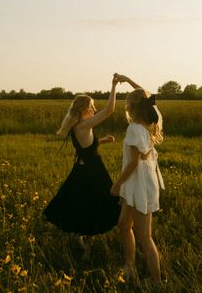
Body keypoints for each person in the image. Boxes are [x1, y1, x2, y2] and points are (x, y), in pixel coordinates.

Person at [43, 74, 122, 259]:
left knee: (79, 205)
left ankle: (78, 238)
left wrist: (102, 140)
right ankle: (87, 250)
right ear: (84, 109)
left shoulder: (75, 126)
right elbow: (110, 110)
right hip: (93, 172)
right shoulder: (85, 125)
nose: (94, 109)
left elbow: (85, 148)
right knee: (94, 207)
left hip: (80, 170)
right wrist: (113, 86)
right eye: (92, 107)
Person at [110, 74, 165, 285]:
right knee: (124, 226)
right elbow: (146, 97)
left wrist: (117, 185)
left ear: (132, 109)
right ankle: (129, 266)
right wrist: (128, 80)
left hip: (138, 185)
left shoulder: (134, 128)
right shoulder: (150, 124)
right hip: (140, 183)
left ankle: (157, 282)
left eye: (127, 106)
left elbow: (133, 163)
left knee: (145, 237)